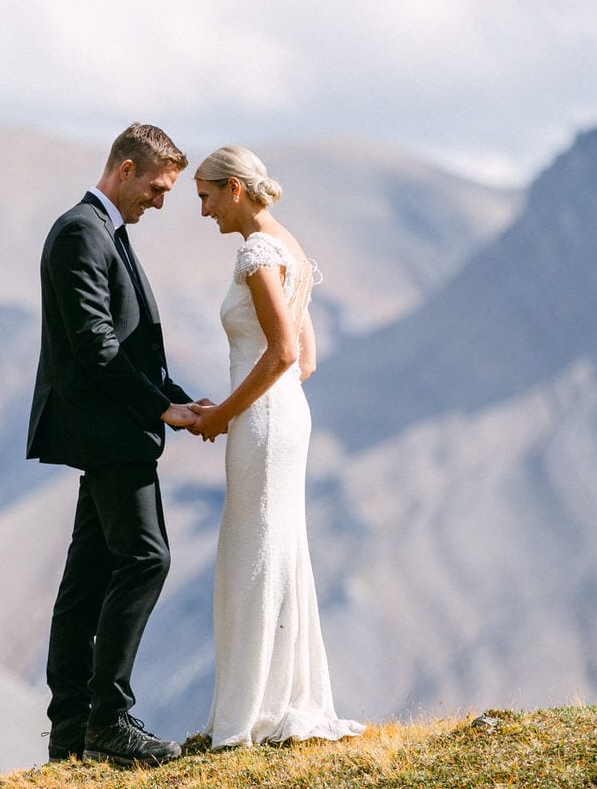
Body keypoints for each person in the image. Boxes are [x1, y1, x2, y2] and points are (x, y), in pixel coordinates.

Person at [27, 123, 206, 766]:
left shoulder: (106, 232)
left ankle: (72, 733)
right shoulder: (82, 231)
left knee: (87, 580)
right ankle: (110, 720)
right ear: (125, 170)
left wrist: (180, 400)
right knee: (146, 560)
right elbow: (96, 346)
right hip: (109, 436)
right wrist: (162, 408)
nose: (161, 202)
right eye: (158, 188)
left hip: (114, 429)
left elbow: (130, 346)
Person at [189, 145, 366, 748]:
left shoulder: (257, 253)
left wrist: (225, 415)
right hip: (287, 415)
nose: (204, 210)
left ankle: (249, 715)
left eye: (207, 195)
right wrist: (243, 404)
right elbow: (306, 361)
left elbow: (286, 353)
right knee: (278, 550)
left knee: (254, 554)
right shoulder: (290, 247)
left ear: (234, 189)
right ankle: (277, 699)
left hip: (263, 422)